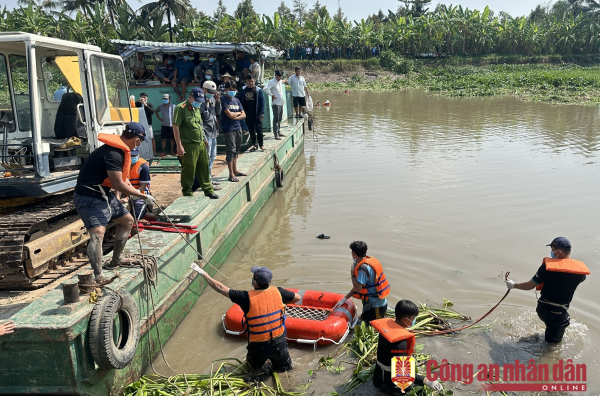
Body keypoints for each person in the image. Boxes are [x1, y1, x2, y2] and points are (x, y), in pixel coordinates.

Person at [74, 122, 155, 283]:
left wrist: (138, 193)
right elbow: (117, 184)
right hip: (89, 197)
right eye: (139, 141)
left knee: (128, 221)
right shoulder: (113, 153)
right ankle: (99, 276)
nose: (138, 145)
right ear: (137, 140)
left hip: (104, 195)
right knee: (97, 234)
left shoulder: (120, 152)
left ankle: (116, 259)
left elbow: (124, 179)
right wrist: (143, 197)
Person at [191, 263, 301, 373]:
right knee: (285, 371)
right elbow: (297, 297)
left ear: (254, 282)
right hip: (279, 344)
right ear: (270, 282)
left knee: (253, 372)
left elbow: (220, 287)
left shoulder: (245, 297)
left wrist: (203, 273)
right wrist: (281, 301)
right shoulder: (279, 292)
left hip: (258, 347)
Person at [505, 237, 590, 343]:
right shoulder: (580, 273)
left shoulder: (546, 267)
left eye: (553, 249)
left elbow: (530, 285)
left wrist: (513, 285)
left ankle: (535, 341)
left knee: (551, 337)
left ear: (558, 252)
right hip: (557, 313)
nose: (552, 252)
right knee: (552, 347)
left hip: (543, 309)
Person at [371, 300, 443, 393]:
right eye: (413, 319)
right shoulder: (400, 343)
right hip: (386, 383)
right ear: (405, 320)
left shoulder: (386, 329)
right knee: (416, 391)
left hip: (378, 374)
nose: (414, 321)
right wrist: (426, 381)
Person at [173, 88, 219, 199]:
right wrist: (179, 145)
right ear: (190, 97)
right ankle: (187, 191)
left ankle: (208, 190)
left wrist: (204, 138)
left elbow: (199, 124)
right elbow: (175, 126)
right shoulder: (181, 108)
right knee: (189, 170)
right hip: (188, 145)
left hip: (200, 143)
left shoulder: (196, 108)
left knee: (204, 167)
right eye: (196, 100)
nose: (198, 103)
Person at [333, 241, 390, 325]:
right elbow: (359, 286)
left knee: (370, 328)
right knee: (361, 320)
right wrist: (345, 299)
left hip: (376, 306)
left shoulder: (363, 268)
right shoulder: (369, 261)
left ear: (353, 253)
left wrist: (352, 273)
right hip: (371, 304)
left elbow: (358, 288)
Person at [220, 81, 247, 182]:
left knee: (237, 150)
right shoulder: (223, 100)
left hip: (238, 128)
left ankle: (235, 170)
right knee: (231, 150)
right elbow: (229, 115)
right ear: (226, 89)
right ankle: (231, 174)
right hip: (229, 129)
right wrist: (238, 114)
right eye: (231, 89)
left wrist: (236, 116)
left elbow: (244, 114)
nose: (233, 91)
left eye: (234, 90)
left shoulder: (236, 100)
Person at [128, 147, 158, 223]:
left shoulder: (143, 167)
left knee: (137, 216)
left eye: (134, 156)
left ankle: (156, 220)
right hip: (127, 192)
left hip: (140, 194)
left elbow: (143, 186)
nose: (132, 157)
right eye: (130, 155)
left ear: (138, 155)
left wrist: (135, 193)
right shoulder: (124, 165)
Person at [201, 81, 221, 187]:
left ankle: (209, 178)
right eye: (210, 92)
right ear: (204, 89)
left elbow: (218, 112)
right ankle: (206, 181)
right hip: (206, 132)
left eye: (213, 92)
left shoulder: (213, 99)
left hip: (214, 132)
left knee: (213, 156)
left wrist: (218, 101)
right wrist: (203, 137)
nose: (212, 94)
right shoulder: (200, 102)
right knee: (207, 157)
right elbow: (200, 120)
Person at [238, 75, 265, 151]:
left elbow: (262, 102)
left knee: (259, 130)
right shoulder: (243, 90)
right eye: (249, 81)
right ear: (246, 82)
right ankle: (255, 144)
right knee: (251, 130)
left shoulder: (258, 90)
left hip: (257, 114)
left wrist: (262, 113)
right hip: (247, 114)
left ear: (254, 81)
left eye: (252, 81)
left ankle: (261, 144)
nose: (251, 83)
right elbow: (239, 101)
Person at [262, 70, 286, 140]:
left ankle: (278, 131)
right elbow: (265, 89)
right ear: (275, 75)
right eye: (278, 77)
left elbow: (282, 81)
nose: (279, 78)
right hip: (276, 103)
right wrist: (271, 95)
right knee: (276, 119)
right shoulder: (272, 82)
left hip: (281, 102)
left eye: (280, 77)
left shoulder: (280, 81)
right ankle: (276, 134)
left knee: (280, 118)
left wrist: (284, 80)